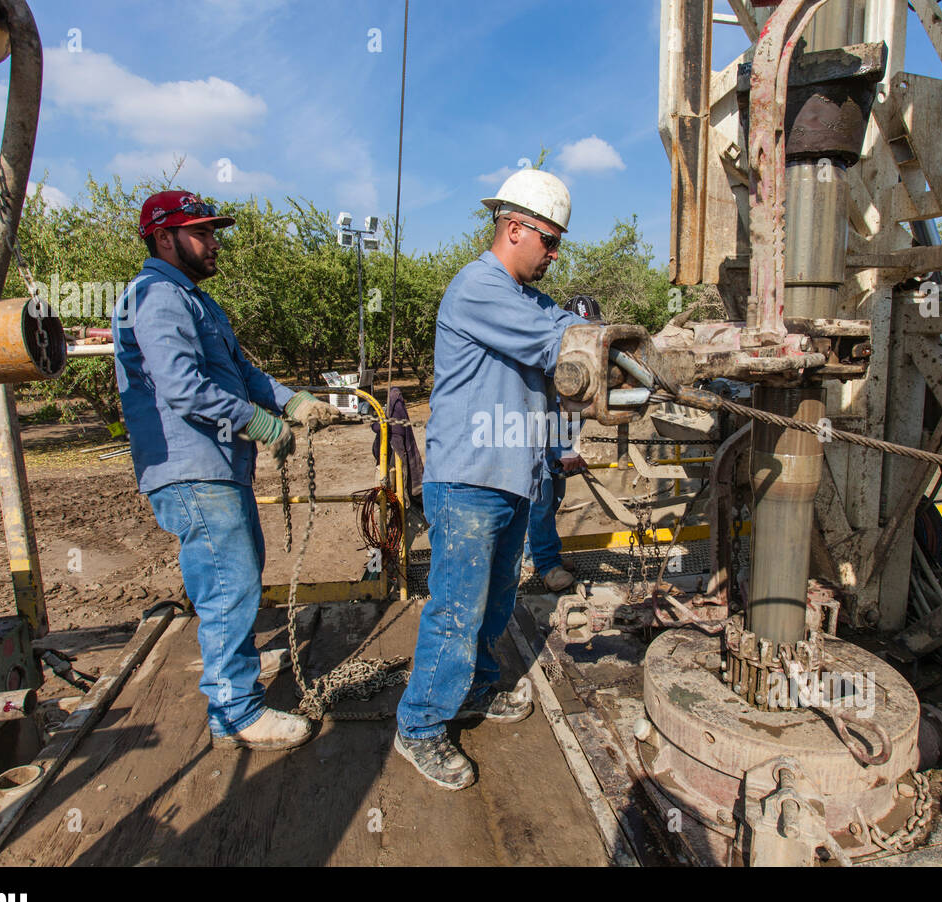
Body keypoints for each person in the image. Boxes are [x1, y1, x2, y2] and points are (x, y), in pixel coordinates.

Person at [113, 190, 340, 751]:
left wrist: (292, 402)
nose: (215, 243)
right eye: (202, 233)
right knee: (228, 583)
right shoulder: (159, 296)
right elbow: (183, 388)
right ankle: (235, 711)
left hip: (216, 465)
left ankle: (235, 668)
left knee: (238, 570)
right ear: (165, 238)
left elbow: (242, 371)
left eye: (214, 232)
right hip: (193, 468)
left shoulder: (196, 301)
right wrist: (260, 426)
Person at [394, 170, 589, 789]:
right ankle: (419, 726)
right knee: (457, 607)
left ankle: (475, 688)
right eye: (549, 241)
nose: (554, 254)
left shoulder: (529, 300)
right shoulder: (479, 287)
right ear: (513, 228)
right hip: (471, 479)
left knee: (496, 599)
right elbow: (563, 342)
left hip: (512, 476)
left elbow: (562, 360)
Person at [527, 294, 601, 592]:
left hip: (557, 448)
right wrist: (564, 451)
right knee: (540, 504)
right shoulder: (559, 365)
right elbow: (556, 413)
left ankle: (538, 554)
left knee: (553, 500)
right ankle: (546, 566)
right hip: (541, 445)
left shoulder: (585, 365)